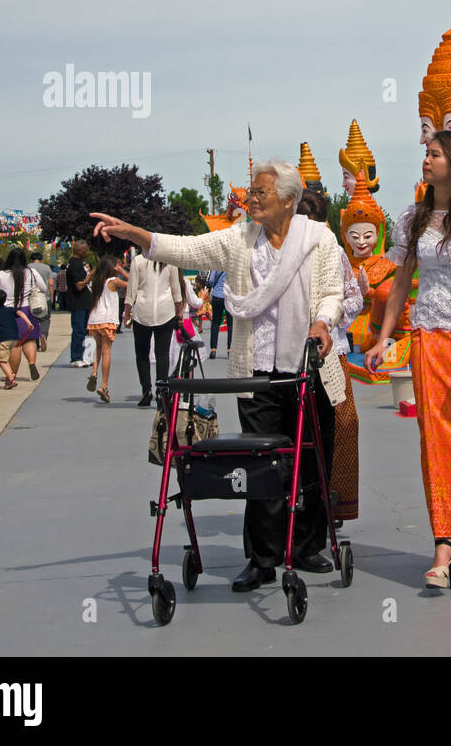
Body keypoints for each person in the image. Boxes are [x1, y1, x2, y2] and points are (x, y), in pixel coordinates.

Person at [91, 158, 347, 592]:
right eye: (252, 191)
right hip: (255, 370)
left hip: (308, 368)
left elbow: (332, 292)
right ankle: (263, 557)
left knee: (311, 456)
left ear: (288, 199)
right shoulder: (239, 239)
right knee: (261, 463)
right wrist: (133, 232)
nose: (251, 198)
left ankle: (306, 546)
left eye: (261, 191)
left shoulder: (319, 239)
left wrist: (322, 322)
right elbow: (186, 249)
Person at [364, 130, 451, 589]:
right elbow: (401, 284)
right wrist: (383, 339)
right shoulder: (414, 217)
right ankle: (443, 541)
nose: (426, 161)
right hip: (429, 338)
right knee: (436, 441)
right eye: (426, 154)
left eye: (435, 154)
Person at [297, 190, 364, 524]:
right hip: (291, 357)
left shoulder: (335, 252)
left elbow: (354, 298)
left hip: (330, 354)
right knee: (298, 432)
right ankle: (297, 504)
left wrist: (329, 317)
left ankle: (333, 501)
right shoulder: (283, 254)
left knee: (342, 425)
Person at [123, 250, 182, 409]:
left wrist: (127, 312)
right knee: (162, 353)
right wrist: (179, 312)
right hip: (165, 310)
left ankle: (146, 391)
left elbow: (132, 290)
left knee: (142, 354)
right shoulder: (170, 260)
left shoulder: (138, 260)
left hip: (142, 311)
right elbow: (176, 289)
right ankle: (161, 392)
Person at [0, 249, 48, 382]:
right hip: (27, 310)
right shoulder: (32, 272)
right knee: (29, 340)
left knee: (15, 345)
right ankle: (31, 363)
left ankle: (12, 374)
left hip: (8, 312)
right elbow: (43, 288)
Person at [85, 254, 128, 403]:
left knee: (97, 348)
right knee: (106, 351)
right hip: (107, 320)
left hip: (94, 319)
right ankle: (104, 385)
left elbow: (90, 276)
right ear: (112, 267)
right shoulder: (113, 281)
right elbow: (133, 283)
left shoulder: (97, 281)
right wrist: (122, 272)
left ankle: (94, 372)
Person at [65, 241, 94, 367]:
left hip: (84, 302)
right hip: (78, 302)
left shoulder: (78, 264)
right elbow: (79, 285)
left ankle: (83, 356)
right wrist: (91, 275)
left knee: (84, 330)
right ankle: (76, 357)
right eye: (85, 250)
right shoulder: (75, 265)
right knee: (78, 330)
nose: (87, 252)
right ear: (80, 251)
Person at [0, 290, 20, 390]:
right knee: (8, 360)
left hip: (1, 340)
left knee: (2, 360)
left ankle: (11, 379)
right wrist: (28, 323)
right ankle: (10, 376)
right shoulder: (10, 310)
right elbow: (20, 313)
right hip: (14, 338)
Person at [28, 251, 53, 351]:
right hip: (44, 297)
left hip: (31, 298)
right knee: (45, 319)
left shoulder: (27, 267)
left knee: (33, 319)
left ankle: (35, 341)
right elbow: (50, 283)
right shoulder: (47, 268)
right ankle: (43, 334)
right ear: (41, 259)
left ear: (31, 259)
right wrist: (51, 296)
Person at [207, 267, 232, 359]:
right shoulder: (232, 264)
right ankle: (230, 349)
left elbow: (211, 281)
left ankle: (213, 349)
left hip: (217, 295)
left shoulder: (216, 265)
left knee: (215, 323)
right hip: (229, 296)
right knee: (230, 324)